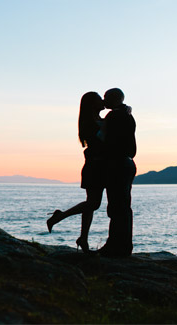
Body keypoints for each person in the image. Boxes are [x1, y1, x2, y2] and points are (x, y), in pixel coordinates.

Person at [45, 91, 107, 253]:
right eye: (99, 99)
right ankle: (60, 216)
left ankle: (83, 238)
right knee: (93, 203)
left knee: (90, 204)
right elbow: (98, 142)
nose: (103, 101)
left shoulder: (99, 120)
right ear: (92, 104)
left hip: (98, 166)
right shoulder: (89, 123)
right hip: (94, 167)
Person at [97, 87, 137, 257]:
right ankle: (124, 245)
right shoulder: (128, 115)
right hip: (127, 163)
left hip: (117, 163)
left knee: (116, 206)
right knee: (123, 206)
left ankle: (115, 246)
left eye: (106, 97)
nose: (103, 101)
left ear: (114, 98)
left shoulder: (114, 116)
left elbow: (102, 137)